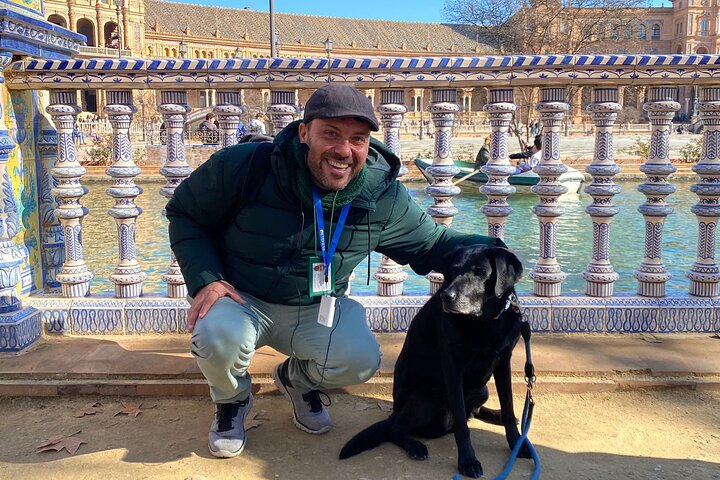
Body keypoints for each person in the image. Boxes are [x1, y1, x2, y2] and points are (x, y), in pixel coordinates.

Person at [165, 84, 506, 459]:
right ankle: (232, 400)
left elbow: (432, 244)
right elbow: (185, 213)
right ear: (304, 133)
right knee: (213, 335)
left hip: (317, 306)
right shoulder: (246, 165)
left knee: (360, 360)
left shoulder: (382, 195)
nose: (344, 150)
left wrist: (494, 251)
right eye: (331, 134)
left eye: (357, 139)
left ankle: (295, 380)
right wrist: (206, 278)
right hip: (242, 299)